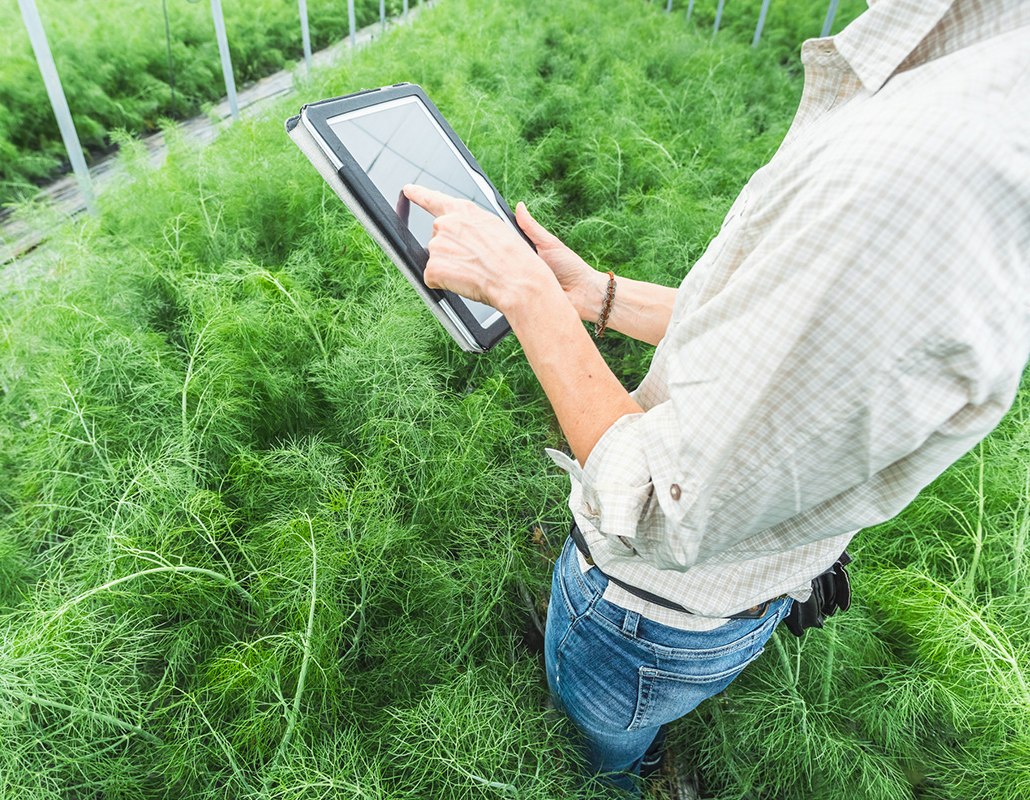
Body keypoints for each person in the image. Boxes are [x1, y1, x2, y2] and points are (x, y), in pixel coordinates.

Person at [401, 0, 1030, 791]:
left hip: (648, 609)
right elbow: (768, 334)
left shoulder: (929, 169)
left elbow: (667, 508)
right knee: (640, 706)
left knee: (596, 734)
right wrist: (595, 294)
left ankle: (625, 770)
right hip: (739, 591)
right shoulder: (966, 82)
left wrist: (523, 292)